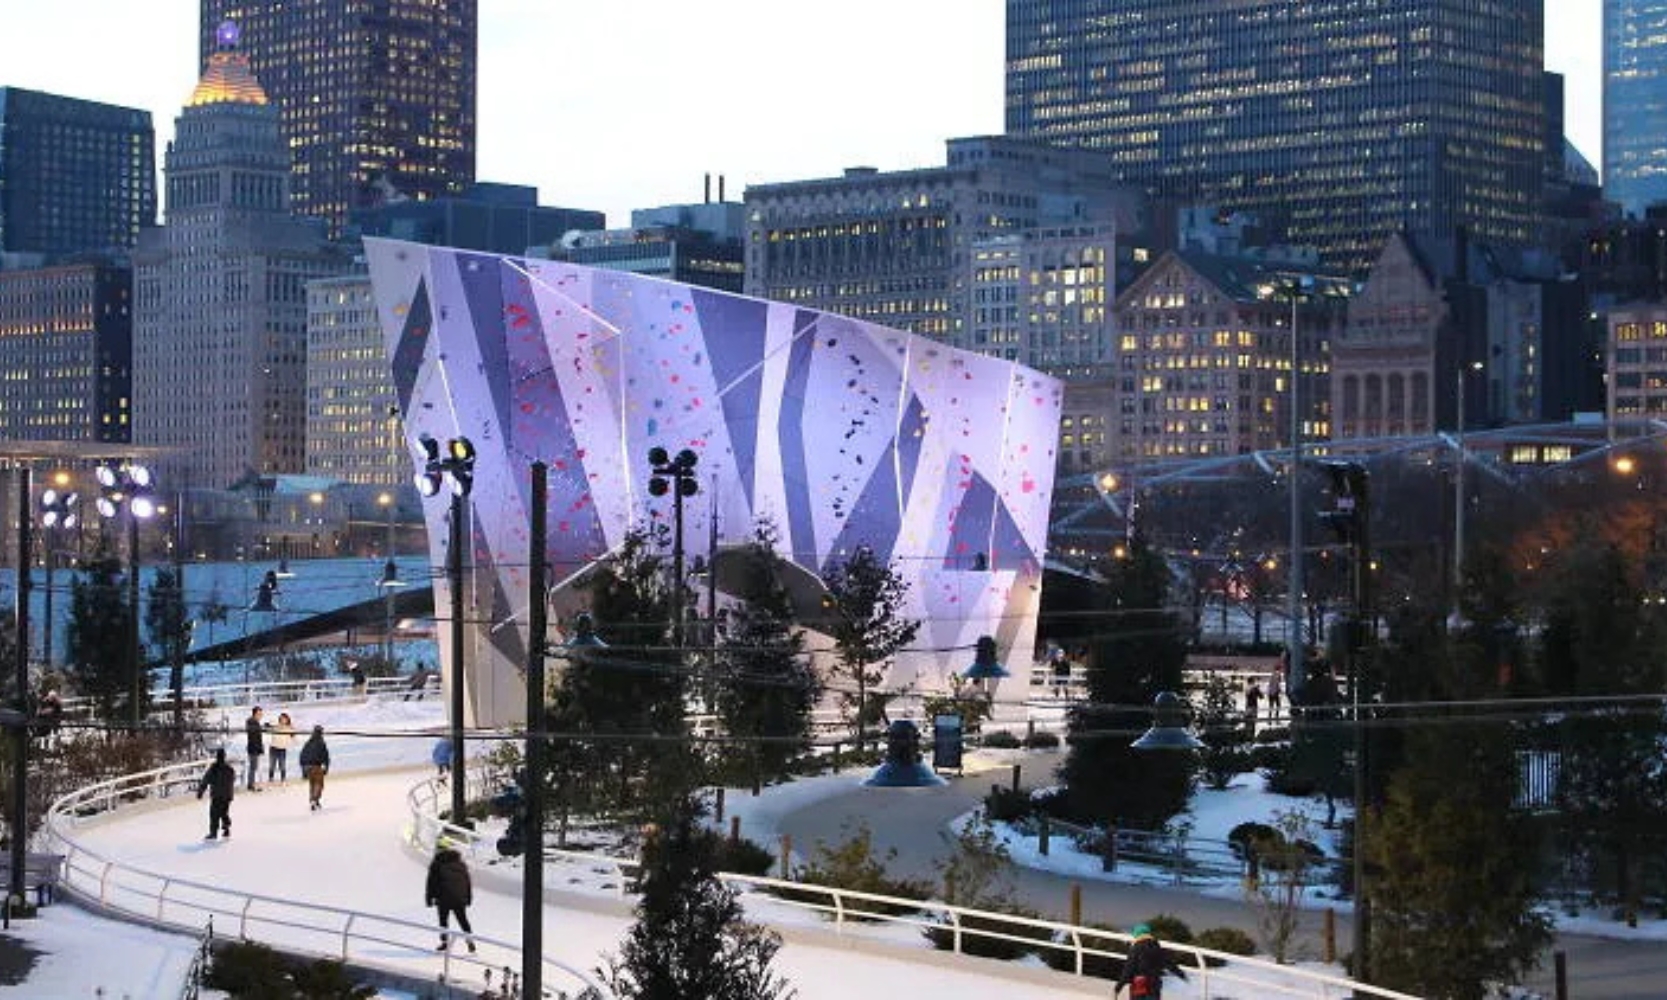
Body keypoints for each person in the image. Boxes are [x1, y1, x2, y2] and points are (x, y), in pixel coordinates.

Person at [425, 837, 476, 953]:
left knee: (443, 921)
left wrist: (429, 898)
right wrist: (468, 898)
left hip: (443, 898)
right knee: (463, 920)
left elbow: (431, 883)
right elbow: (467, 882)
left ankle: (444, 943)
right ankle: (470, 941)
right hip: (459, 898)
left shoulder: (436, 864)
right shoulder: (460, 863)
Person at [1115, 922, 1166, 998]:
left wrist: (1118, 987)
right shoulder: (1157, 947)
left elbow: (1128, 969)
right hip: (1155, 986)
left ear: (1137, 934)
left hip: (1140, 986)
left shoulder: (1136, 948)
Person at [197, 748, 237, 840]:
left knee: (214, 814)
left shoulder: (214, 768)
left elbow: (206, 780)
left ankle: (213, 833)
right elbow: (233, 780)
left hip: (217, 795)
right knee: (224, 812)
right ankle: (226, 828)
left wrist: (200, 791)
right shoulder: (229, 769)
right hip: (227, 796)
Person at [299, 724, 331, 811]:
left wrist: (303, 770)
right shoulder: (321, 743)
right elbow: (326, 756)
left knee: (312, 785)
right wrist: (326, 768)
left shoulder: (308, 743)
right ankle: (314, 800)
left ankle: (314, 801)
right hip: (316, 766)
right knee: (319, 784)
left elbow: (302, 756)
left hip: (306, 767)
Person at [268, 712, 294, 783]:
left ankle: (283, 779)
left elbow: (294, 738)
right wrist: (269, 725)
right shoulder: (275, 726)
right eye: (281, 719)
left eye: (284, 719)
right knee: (272, 764)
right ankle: (271, 778)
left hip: (282, 749)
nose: (283, 720)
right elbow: (268, 726)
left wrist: (292, 731)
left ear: (287, 720)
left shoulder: (289, 728)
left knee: (282, 765)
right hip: (273, 747)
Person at [244, 706, 265, 791]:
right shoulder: (252, 722)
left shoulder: (254, 722)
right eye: (259, 714)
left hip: (255, 747)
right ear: (255, 714)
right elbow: (254, 735)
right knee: (253, 767)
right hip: (253, 748)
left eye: (261, 714)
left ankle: (252, 784)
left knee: (254, 767)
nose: (261, 716)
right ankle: (251, 784)